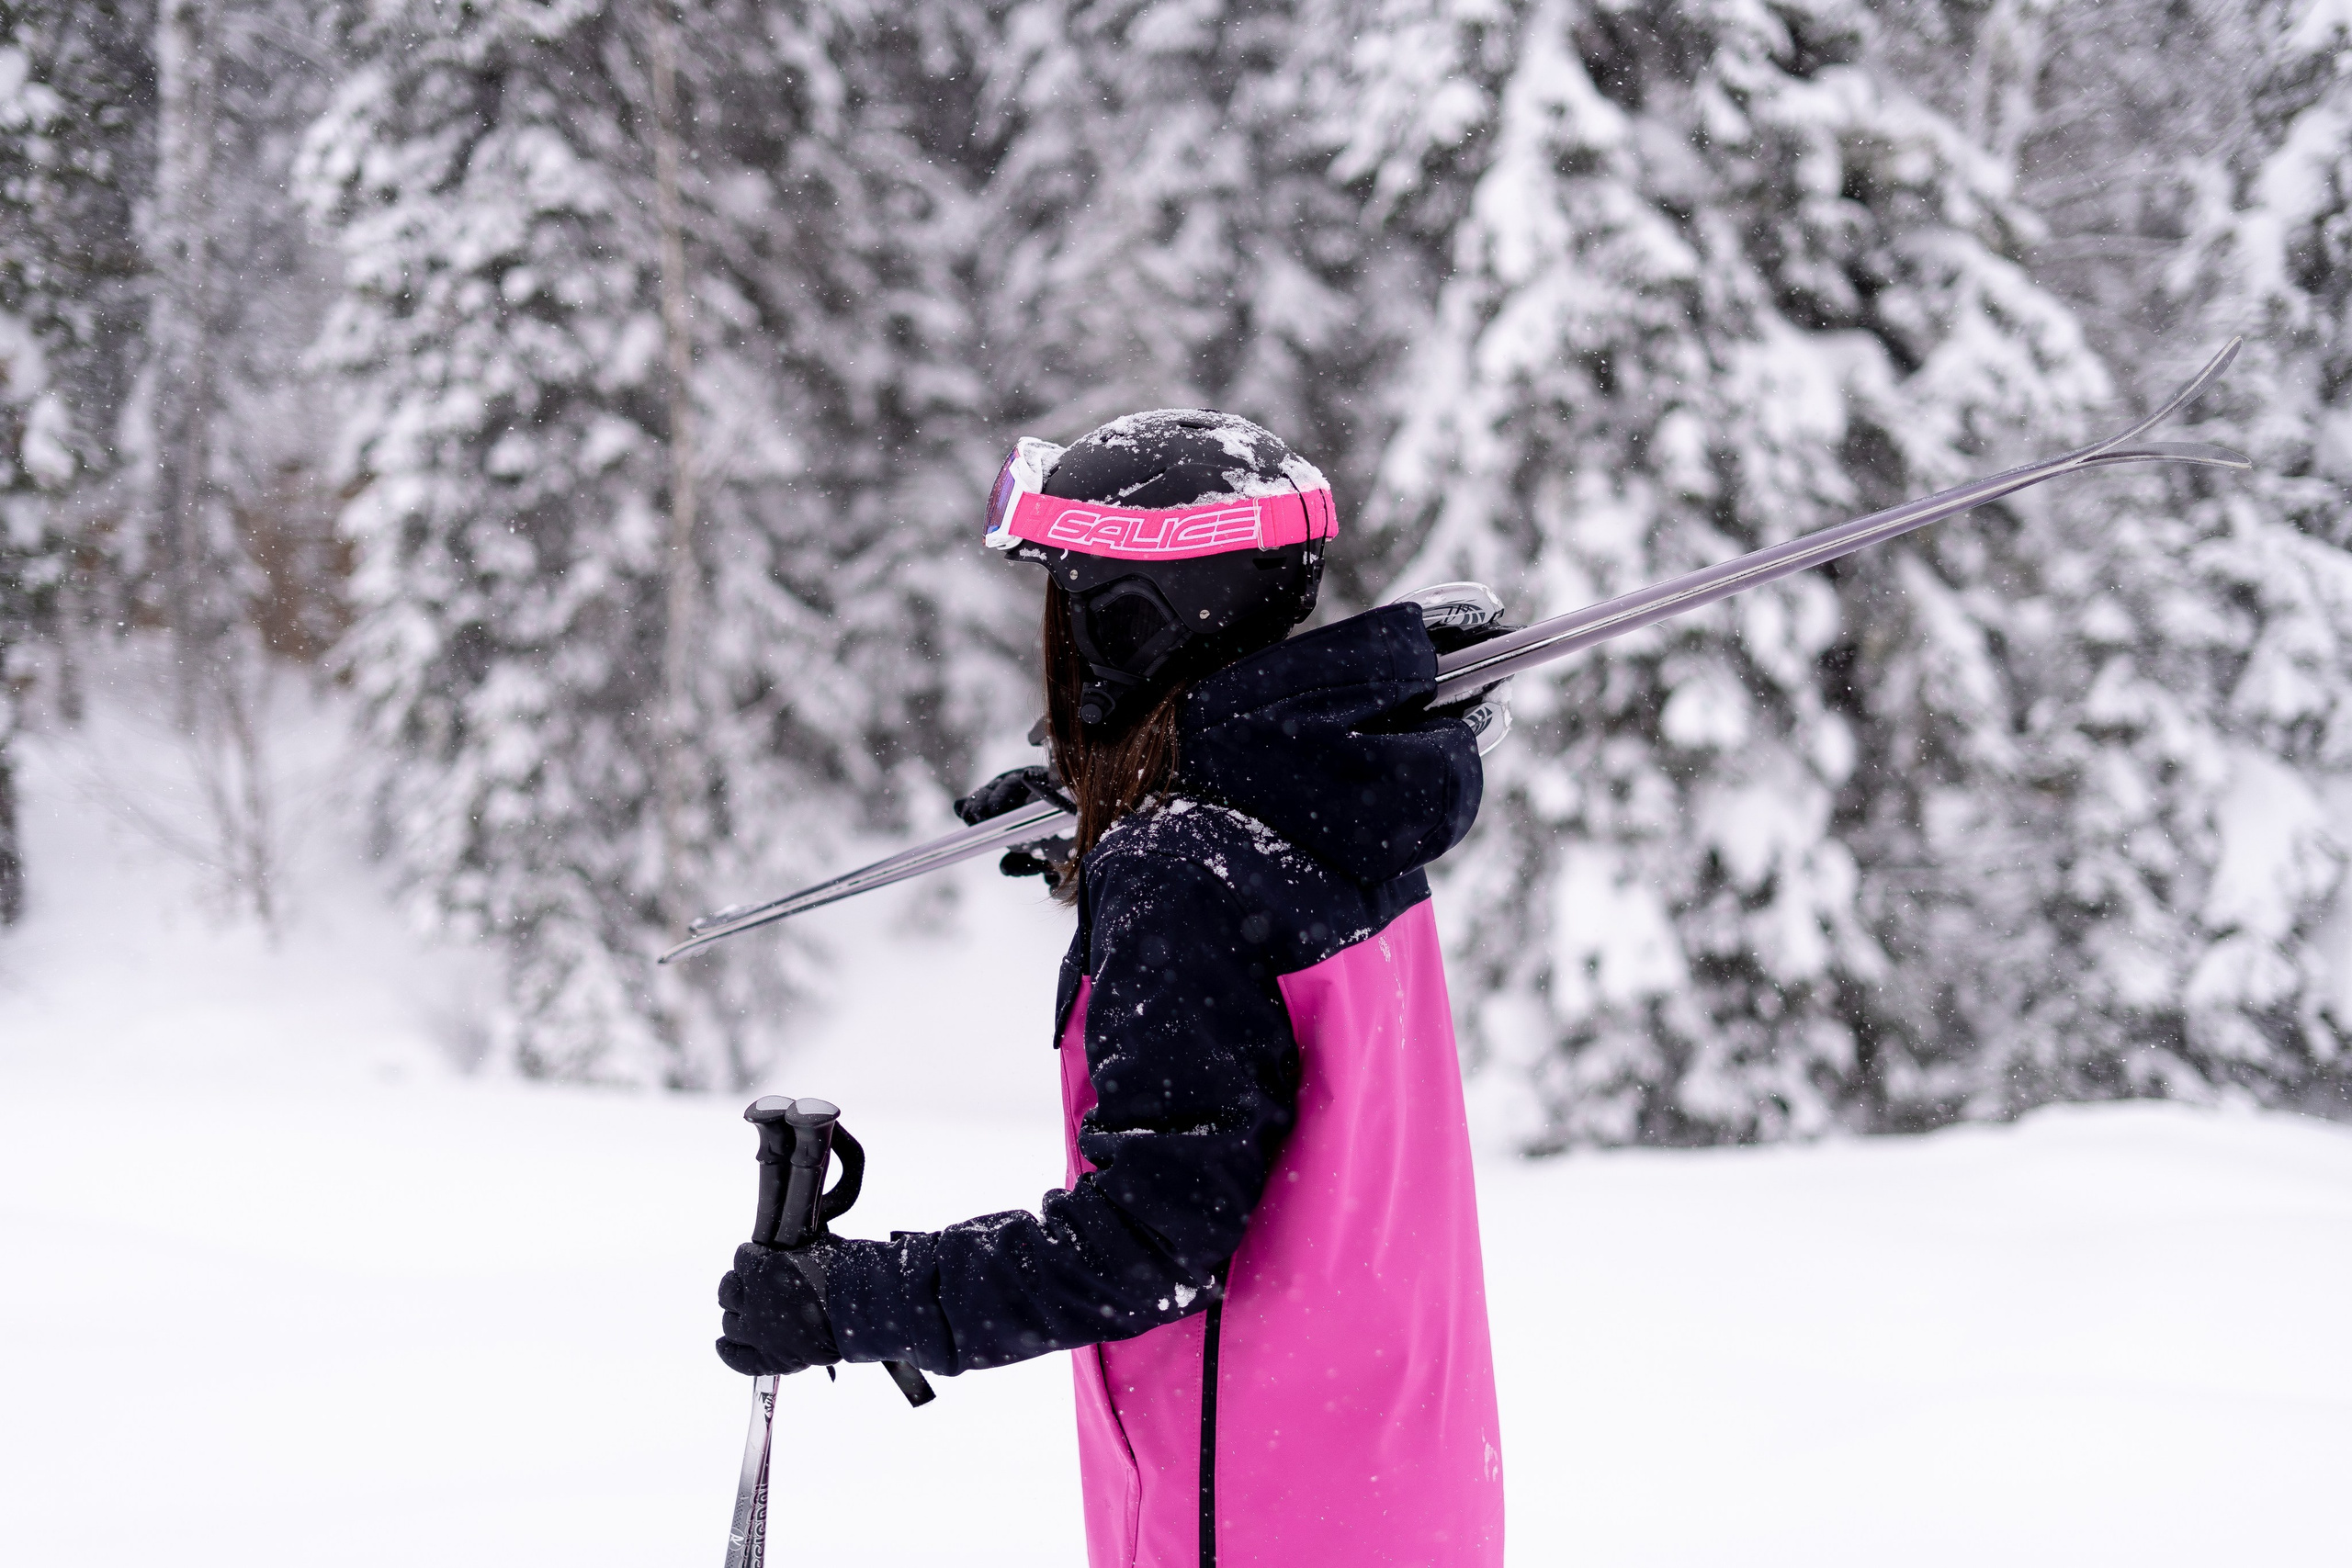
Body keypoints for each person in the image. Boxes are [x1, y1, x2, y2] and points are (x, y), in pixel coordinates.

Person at [716, 410, 1508, 1568]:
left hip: (1247, 1509)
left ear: (1135, 619)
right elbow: (1266, 979)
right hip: (1391, 1483)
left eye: (1074, 601)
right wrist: (1105, 826)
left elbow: (1146, 1243)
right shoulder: (1343, 807)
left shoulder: (1184, 872)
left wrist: (860, 1297)